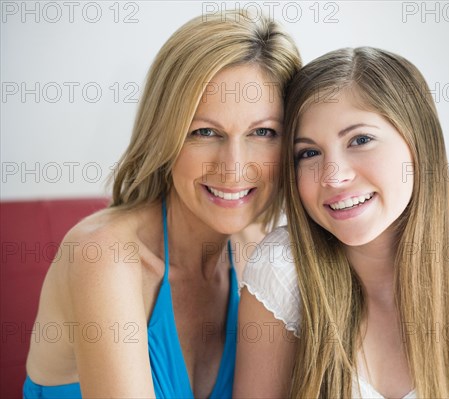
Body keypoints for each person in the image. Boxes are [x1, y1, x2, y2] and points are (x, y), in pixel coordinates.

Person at [24, 10, 301, 399]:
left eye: (263, 132)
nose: (234, 167)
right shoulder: (105, 256)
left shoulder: (264, 252)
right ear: (165, 136)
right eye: (205, 131)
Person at [234, 47, 449, 398]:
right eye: (309, 153)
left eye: (360, 140)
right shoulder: (282, 272)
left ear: (418, 142)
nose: (334, 176)